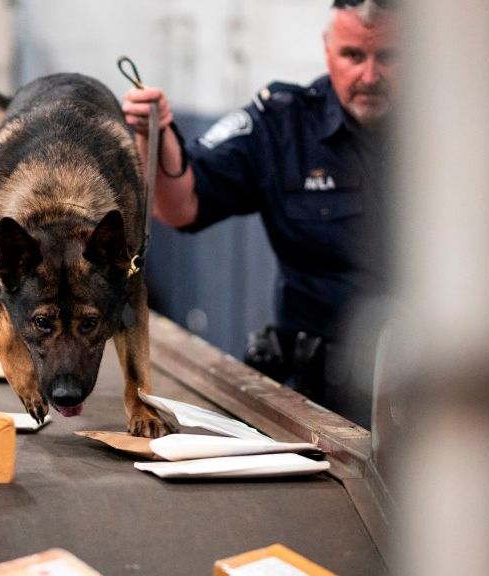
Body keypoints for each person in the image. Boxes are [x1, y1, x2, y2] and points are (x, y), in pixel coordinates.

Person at [121, 0, 397, 427]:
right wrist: (153, 135)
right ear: (327, 49)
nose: (369, 76)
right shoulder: (282, 124)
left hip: (436, 398)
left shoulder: (468, 127)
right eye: (353, 55)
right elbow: (180, 206)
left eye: (388, 57)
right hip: (319, 403)